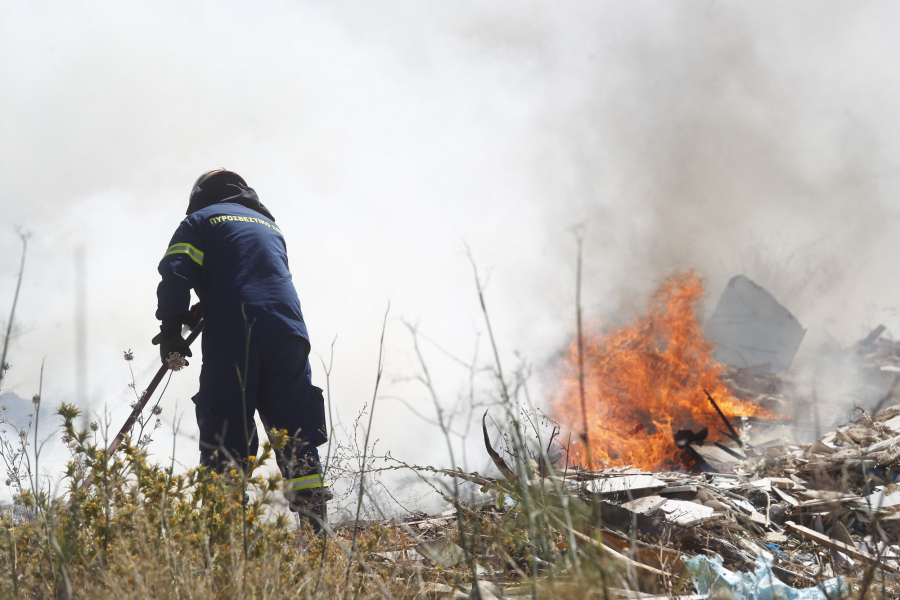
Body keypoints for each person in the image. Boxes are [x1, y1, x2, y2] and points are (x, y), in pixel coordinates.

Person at [152, 169, 330, 530]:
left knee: (225, 435)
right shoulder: (270, 226)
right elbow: (252, 275)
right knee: (295, 435)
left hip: (235, 336)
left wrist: (170, 328)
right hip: (289, 333)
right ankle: (318, 540)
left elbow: (176, 274)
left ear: (199, 195)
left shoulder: (200, 220)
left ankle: (229, 543)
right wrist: (210, 302)